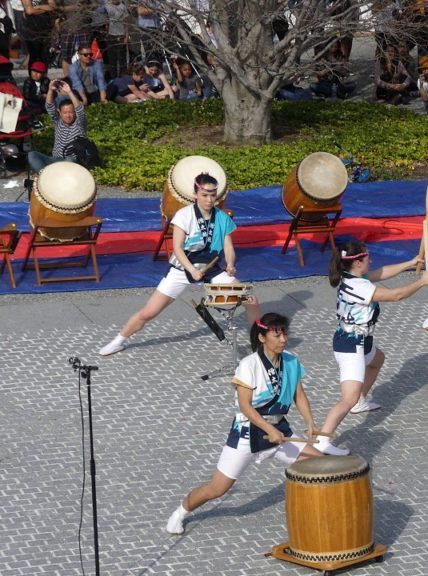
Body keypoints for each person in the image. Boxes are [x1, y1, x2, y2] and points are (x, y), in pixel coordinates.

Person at [165, 313, 323, 535]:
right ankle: (181, 511)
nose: (283, 340)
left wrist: (310, 422)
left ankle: (319, 513)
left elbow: (299, 394)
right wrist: (269, 429)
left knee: (322, 463)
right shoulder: (249, 365)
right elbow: (245, 406)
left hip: (280, 430)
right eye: (277, 335)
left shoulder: (290, 361)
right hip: (248, 432)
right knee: (217, 488)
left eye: (285, 334)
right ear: (261, 337)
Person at [98, 173, 261, 356]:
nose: (209, 199)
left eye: (213, 195)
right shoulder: (184, 215)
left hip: (211, 269)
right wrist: (191, 269)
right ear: (195, 194)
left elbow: (228, 247)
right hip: (182, 269)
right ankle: (119, 340)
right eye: (205, 195)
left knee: (251, 300)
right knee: (149, 313)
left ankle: (258, 344)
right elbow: (177, 248)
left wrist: (230, 263)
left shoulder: (222, 218)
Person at [313, 241, 428, 456]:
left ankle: (360, 401)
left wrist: (411, 262)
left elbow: (382, 272)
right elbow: (396, 296)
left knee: (377, 360)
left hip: (361, 341)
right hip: (350, 345)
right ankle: (322, 439)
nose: (372, 260)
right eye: (368, 257)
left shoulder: (353, 276)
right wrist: (422, 282)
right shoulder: (360, 287)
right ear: (358, 262)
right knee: (346, 399)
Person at [27, 81, 86, 172]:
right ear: (60, 113)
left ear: (74, 113)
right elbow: (49, 106)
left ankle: (52, 175)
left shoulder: (79, 124)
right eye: (65, 113)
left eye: (70, 112)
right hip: (55, 160)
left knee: (70, 160)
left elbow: (80, 109)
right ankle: (45, 175)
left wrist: (69, 92)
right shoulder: (58, 121)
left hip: (70, 161)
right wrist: (50, 90)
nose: (68, 115)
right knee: (32, 154)